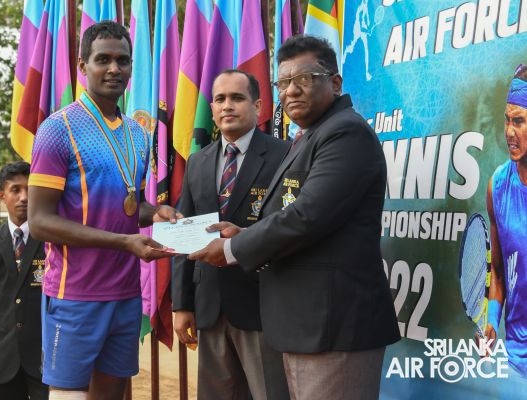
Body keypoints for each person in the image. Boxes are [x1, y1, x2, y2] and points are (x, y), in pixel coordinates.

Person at [189, 35, 400, 400]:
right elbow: (290, 213)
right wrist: (243, 231)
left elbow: (307, 216)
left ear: (335, 82)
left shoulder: (345, 133)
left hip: (334, 326)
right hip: (304, 324)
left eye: (304, 78)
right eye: (283, 82)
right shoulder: (310, 136)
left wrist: (232, 248)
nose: (291, 90)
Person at [28, 21, 179, 400]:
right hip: (75, 294)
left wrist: (154, 213)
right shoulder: (57, 129)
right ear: (83, 66)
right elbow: (40, 222)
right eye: (103, 60)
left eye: (123, 61)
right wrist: (123, 243)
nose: (114, 69)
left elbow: (128, 206)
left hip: (126, 293)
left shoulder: (138, 134)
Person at [172, 69, 290, 400]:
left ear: (258, 106)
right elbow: (185, 234)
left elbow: (289, 227)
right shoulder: (197, 162)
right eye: (220, 99)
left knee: (269, 393)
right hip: (209, 305)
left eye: (237, 98)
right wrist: (182, 305)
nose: (227, 106)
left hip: (262, 303)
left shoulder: (284, 155)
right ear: (211, 108)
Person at [0, 161, 48, 400]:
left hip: (45, 362)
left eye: (30, 189)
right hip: (3, 365)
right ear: (1, 196)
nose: (24, 197)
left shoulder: (51, 240)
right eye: (16, 190)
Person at [485, 64, 527, 378]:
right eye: (507, 120)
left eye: (520, 121)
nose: (509, 132)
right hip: (515, 359)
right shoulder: (497, 186)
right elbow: (498, 271)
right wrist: (491, 321)